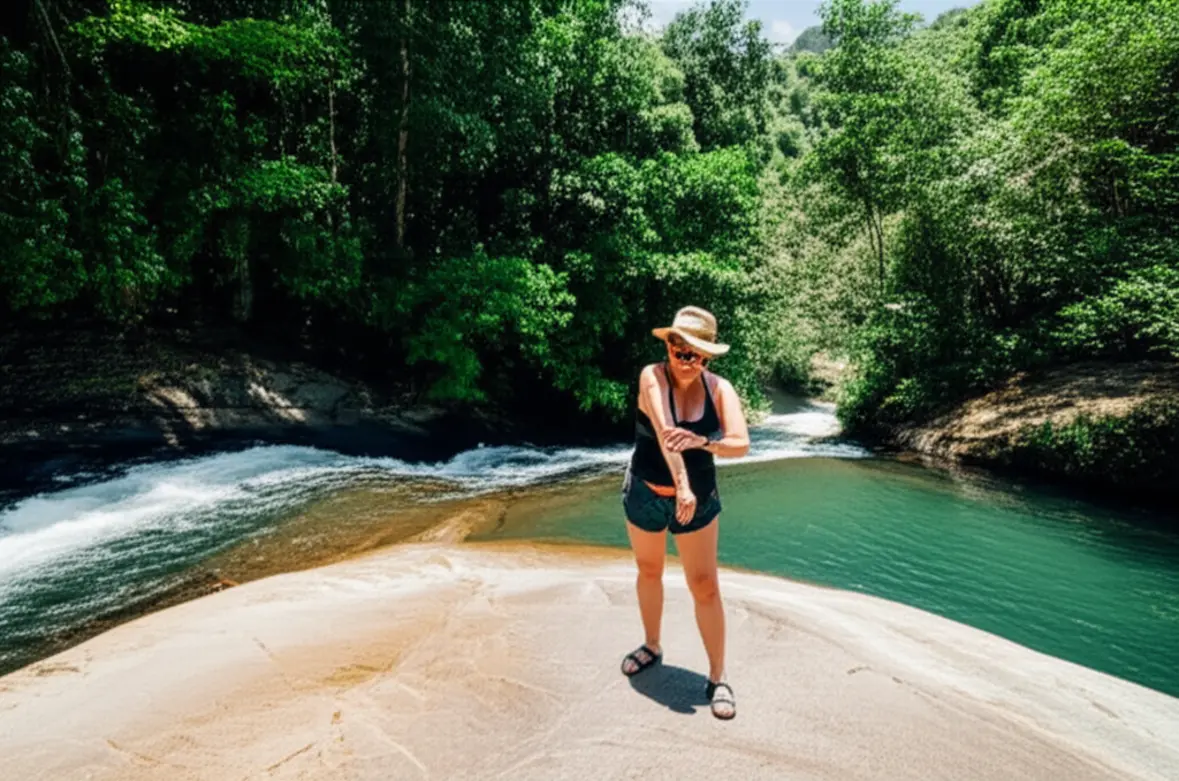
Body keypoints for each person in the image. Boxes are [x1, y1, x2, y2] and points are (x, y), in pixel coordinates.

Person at [618, 305, 750, 720]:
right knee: (649, 570)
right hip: (646, 491)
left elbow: (740, 444)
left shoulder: (719, 389)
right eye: (679, 349)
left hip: (699, 499)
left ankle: (718, 675)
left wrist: (701, 442)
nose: (686, 360)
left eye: (696, 354)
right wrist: (682, 487)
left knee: (704, 585)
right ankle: (652, 644)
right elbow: (662, 433)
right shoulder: (651, 377)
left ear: (707, 356)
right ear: (669, 347)